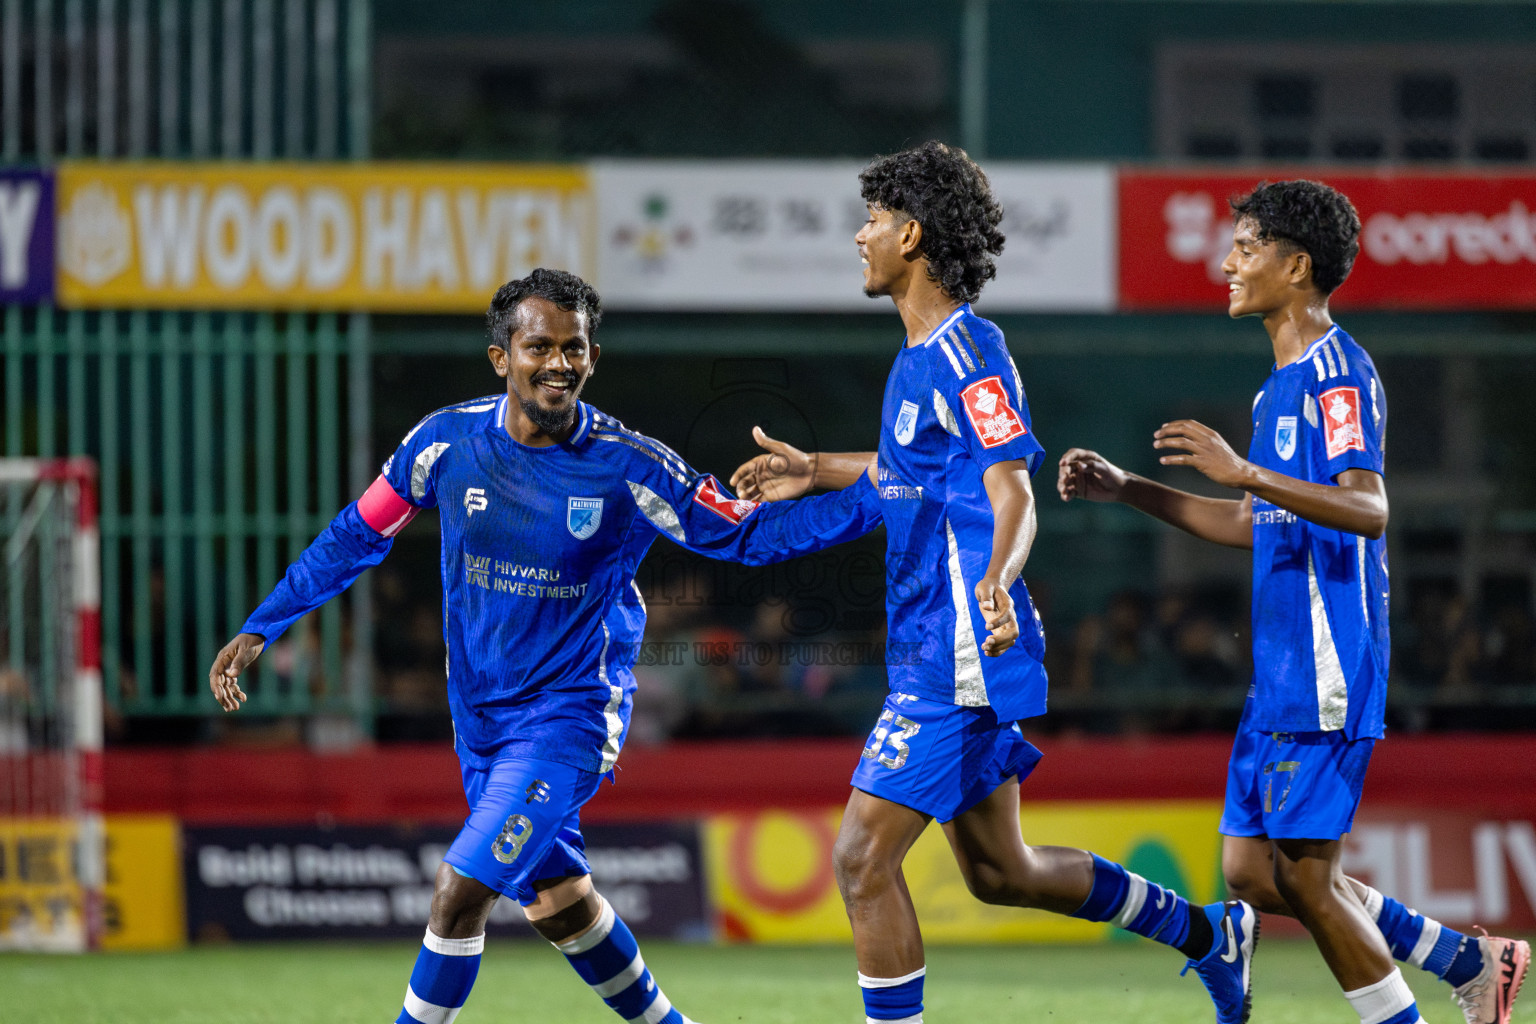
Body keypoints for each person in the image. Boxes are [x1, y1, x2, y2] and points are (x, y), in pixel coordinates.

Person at [208, 268, 882, 1024]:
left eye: (575, 348)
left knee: (459, 893)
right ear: (502, 357)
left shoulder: (631, 465)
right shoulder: (442, 444)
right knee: (560, 904)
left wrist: (880, 492)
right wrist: (264, 622)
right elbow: (356, 535)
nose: (559, 363)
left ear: (593, 357)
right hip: (481, 722)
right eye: (539, 347)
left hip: (570, 716)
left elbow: (748, 537)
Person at [731, 141, 1256, 1024]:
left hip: (963, 647)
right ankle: (1209, 935)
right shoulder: (915, 359)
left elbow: (1010, 487)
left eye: (871, 220)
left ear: (912, 234)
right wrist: (815, 467)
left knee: (861, 859)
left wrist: (998, 583)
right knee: (1000, 871)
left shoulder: (971, 351)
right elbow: (907, 479)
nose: (858, 236)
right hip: (930, 644)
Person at [1056, 179, 1529, 1024]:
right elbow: (1252, 524)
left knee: (1308, 879)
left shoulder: (1337, 376)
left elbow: (1368, 506)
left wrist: (1248, 471)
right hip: (1279, 670)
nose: (1228, 262)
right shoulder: (1275, 389)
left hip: (1326, 664)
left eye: (1246, 246)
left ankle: (1428, 999)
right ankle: (1467, 959)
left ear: (1296, 264)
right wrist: (1131, 491)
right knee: (1248, 874)